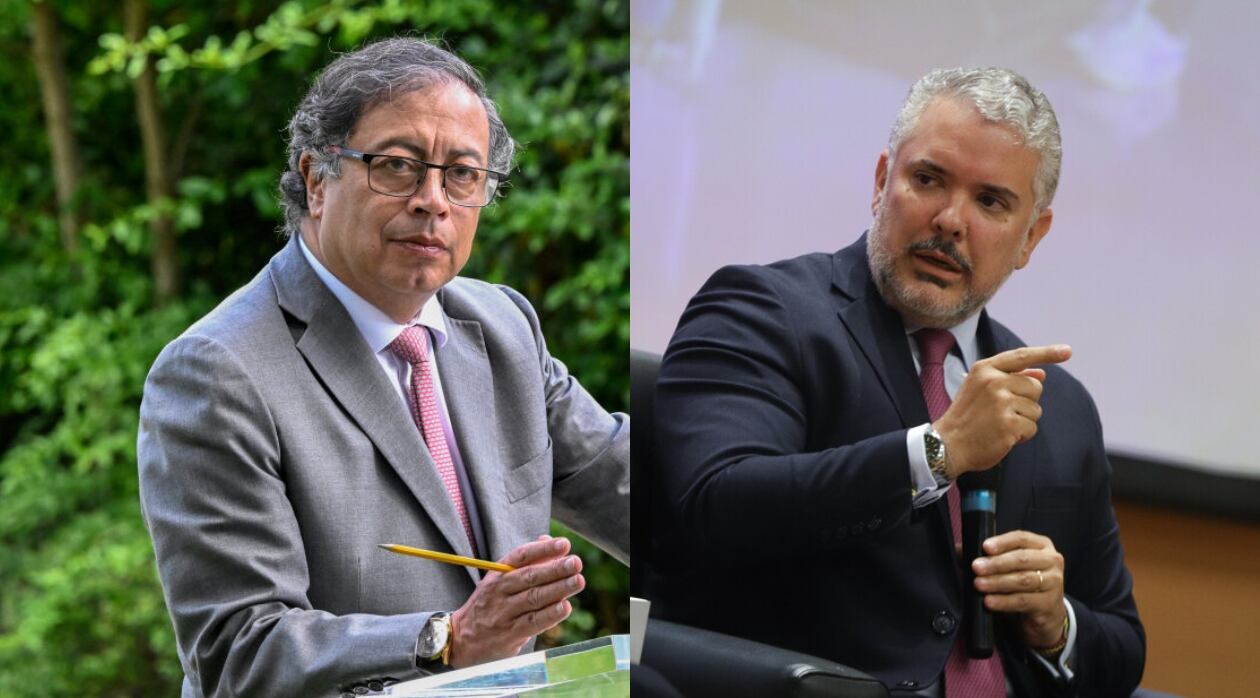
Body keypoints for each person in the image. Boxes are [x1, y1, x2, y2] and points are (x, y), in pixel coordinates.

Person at [137, 37, 628, 698]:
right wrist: (446, 638)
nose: (433, 200)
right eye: (397, 166)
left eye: (462, 174)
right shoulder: (217, 372)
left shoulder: (504, 326)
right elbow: (238, 652)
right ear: (317, 180)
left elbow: (632, 490)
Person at [648, 67, 1144, 696]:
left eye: (991, 202)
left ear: (1031, 237)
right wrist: (938, 453)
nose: (951, 219)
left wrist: (1055, 623)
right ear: (882, 180)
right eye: (928, 179)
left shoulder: (1060, 404)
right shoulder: (763, 312)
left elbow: (1122, 647)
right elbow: (718, 505)